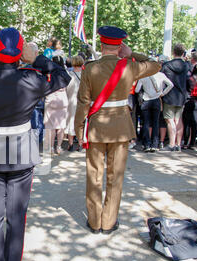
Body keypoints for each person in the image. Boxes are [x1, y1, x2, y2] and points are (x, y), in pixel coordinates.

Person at [0, 27, 71, 261]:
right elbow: (63, 76)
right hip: (22, 154)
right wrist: (35, 58)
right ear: (20, 52)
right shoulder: (33, 78)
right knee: (16, 215)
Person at [74, 26, 161, 235]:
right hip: (121, 128)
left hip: (96, 128)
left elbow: (83, 103)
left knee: (94, 176)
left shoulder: (90, 68)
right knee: (115, 177)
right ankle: (108, 222)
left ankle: (94, 223)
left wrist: (79, 131)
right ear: (119, 46)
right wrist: (132, 54)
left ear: (102, 45)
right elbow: (156, 65)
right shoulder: (130, 67)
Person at [135, 69, 174, 152]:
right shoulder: (161, 75)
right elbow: (171, 85)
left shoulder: (143, 75)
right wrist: (162, 93)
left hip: (146, 100)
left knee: (146, 123)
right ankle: (155, 144)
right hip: (157, 100)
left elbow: (137, 90)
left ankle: (147, 144)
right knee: (156, 122)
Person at [161, 43, 189, 152]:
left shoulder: (167, 65)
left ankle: (171, 144)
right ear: (183, 53)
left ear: (173, 52)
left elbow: (162, 81)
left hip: (169, 95)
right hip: (181, 96)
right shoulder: (186, 66)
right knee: (178, 119)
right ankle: (178, 144)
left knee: (169, 120)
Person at [44, 55, 69, 155]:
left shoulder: (49, 74)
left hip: (51, 100)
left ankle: (50, 148)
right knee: (61, 126)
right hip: (62, 99)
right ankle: (58, 147)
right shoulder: (65, 74)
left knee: (51, 127)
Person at [65, 55, 84, 152]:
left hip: (71, 101)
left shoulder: (68, 74)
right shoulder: (85, 75)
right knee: (81, 122)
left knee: (71, 122)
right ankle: (80, 143)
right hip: (82, 102)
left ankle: (70, 144)